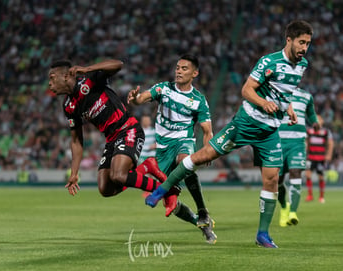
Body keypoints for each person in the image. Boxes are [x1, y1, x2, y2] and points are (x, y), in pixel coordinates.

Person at [144, 20, 313, 248]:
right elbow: (246, 90)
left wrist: (288, 108)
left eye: (308, 43)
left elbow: (285, 92)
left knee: (272, 179)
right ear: (289, 40)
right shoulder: (268, 62)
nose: (304, 48)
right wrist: (263, 103)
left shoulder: (302, 65)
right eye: (301, 42)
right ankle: (161, 190)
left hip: (270, 131)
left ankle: (262, 234)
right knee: (204, 156)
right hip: (245, 123)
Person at [47, 59, 177, 204]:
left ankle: (166, 191)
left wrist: (88, 68)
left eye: (52, 78)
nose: (49, 84)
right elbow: (77, 140)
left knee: (119, 175)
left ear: (65, 76)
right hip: (111, 140)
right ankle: (147, 166)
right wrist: (74, 173)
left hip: (128, 128)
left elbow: (118, 65)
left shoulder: (89, 80)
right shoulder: (68, 106)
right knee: (105, 188)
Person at [127, 54, 216, 244]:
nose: (179, 71)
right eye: (177, 67)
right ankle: (200, 223)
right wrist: (135, 99)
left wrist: (208, 148)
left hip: (183, 140)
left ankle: (202, 210)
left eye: (184, 68)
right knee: (171, 205)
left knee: (186, 161)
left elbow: (207, 129)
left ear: (195, 73)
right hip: (163, 148)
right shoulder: (163, 88)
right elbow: (142, 98)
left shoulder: (199, 100)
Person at [277, 87, 319, 227]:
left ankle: (293, 213)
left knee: (296, 173)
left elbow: (311, 114)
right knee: (277, 180)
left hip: (298, 142)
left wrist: (315, 122)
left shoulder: (307, 95)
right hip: (278, 141)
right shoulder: (277, 90)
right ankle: (284, 207)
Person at [305, 114, 334, 203]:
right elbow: (307, 143)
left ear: (322, 121)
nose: (316, 121)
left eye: (318, 119)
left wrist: (329, 155)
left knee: (321, 177)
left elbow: (330, 143)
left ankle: (321, 197)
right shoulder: (309, 131)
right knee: (308, 175)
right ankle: (310, 195)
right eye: (315, 119)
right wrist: (305, 152)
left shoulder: (326, 132)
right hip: (310, 157)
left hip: (321, 158)